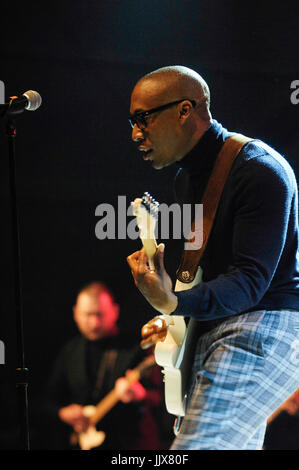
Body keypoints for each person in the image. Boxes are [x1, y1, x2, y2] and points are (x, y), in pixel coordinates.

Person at [126, 65, 299, 450]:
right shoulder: (186, 180)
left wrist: (173, 301)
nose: (135, 134)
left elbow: (249, 283)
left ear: (184, 110)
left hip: (267, 326)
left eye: (143, 119)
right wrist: (176, 317)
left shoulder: (259, 170)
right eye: (132, 122)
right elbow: (209, 275)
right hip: (220, 329)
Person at [43, 282, 164, 450]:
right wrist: (62, 413)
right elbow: (48, 398)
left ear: (115, 311)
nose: (94, 323)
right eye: (88, 315)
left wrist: (140, 396)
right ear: (75, 313)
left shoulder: (137, 348)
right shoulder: (69, 351)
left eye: (100, 314)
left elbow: (161, 398)